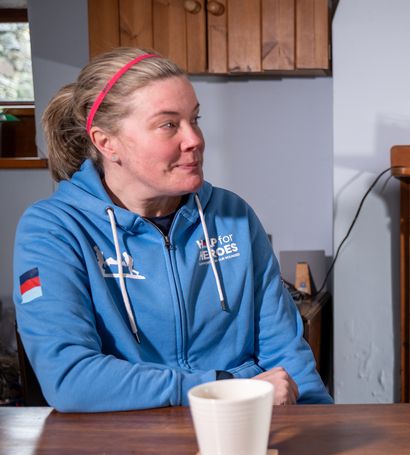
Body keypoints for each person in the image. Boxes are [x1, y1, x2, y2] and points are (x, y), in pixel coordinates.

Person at [13, 48, 332, 411]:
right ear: (106, 143)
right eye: (169, 125)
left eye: (194, 119)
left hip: (241, 427)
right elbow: (70, 378)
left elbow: (286, 354)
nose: (194, 139)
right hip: (125, 444)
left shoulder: (233, 216)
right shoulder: (53, 230)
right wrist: (221, 388)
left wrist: (319, 427)